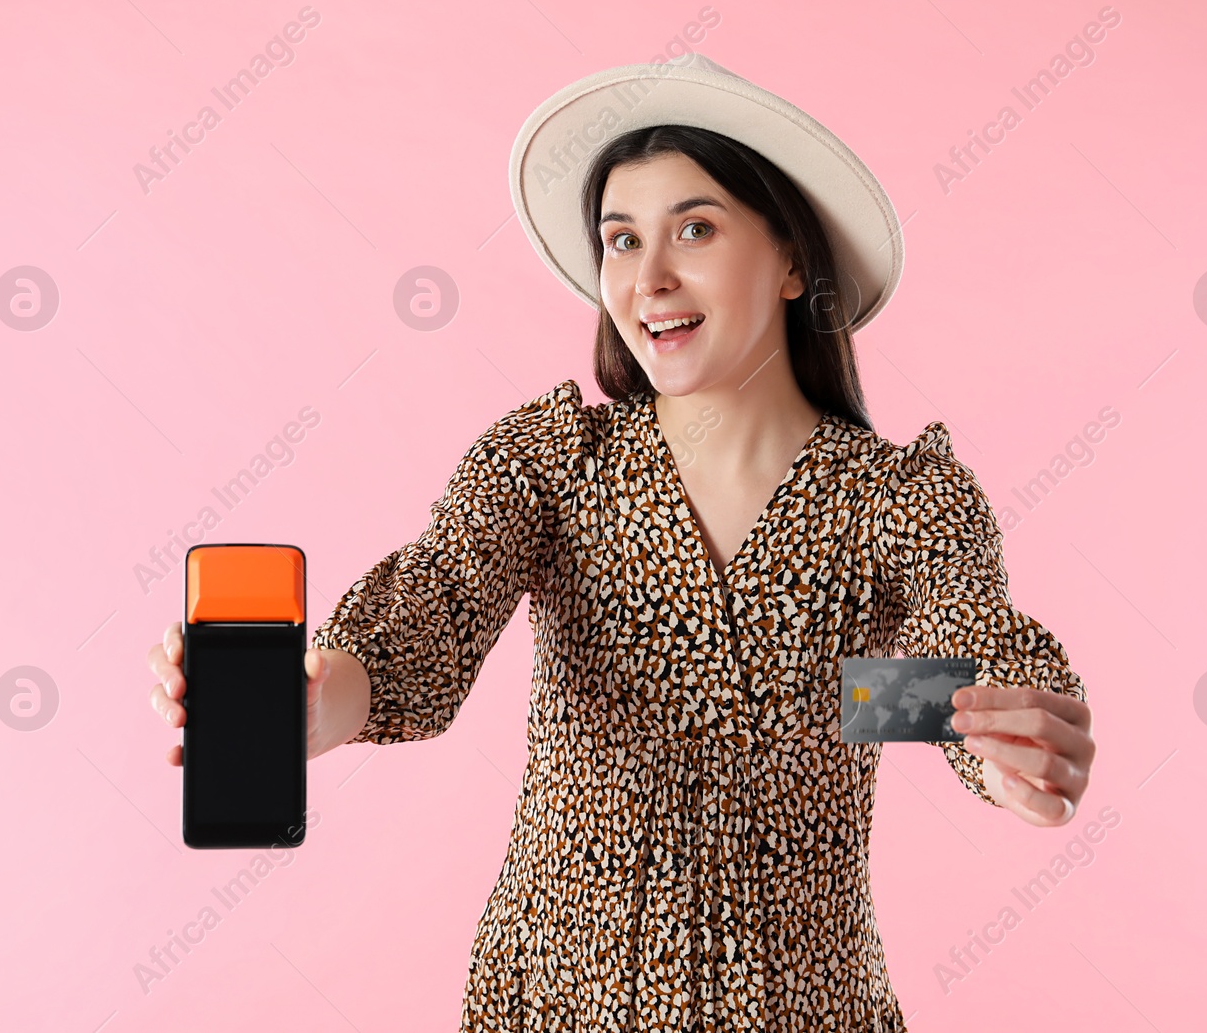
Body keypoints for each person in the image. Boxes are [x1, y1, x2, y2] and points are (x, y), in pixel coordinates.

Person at [147, 55, 1095, 1031]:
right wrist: (308, 709)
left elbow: (942, 674)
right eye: (619, 239)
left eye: (694, 227)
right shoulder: (551, 463)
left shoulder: (901, 498)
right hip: (553, 1004)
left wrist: (1007, 752)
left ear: (792, 263)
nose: (648, 279)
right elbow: (421, 630)